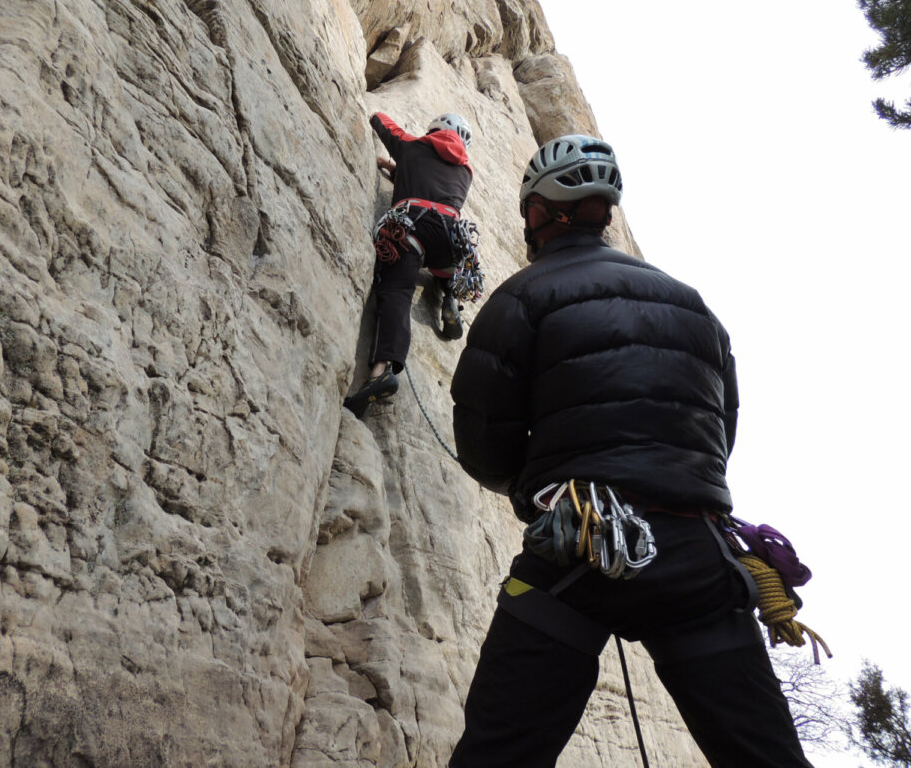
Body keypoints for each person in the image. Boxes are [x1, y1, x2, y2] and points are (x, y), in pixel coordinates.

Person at [448, 135, 812, 766]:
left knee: (497, 753)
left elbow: (484, 442)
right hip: (699, 559)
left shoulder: (522, 297)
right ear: (604, 211)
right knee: (766, 758)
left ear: (539, 212)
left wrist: (544, 496)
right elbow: (718, 433)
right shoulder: (694, 306)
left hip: (579, 552)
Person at [343, 112, 474, 419]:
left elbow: (382, 122)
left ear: (433, 131)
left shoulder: (413, 145)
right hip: (449, 235)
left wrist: (372, 116)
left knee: (396, 291)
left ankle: (381, 371)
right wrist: (393, 168)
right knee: (446, 264)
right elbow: (428, 185)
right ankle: (448, 295)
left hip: (411, 227)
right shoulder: (466, 171)